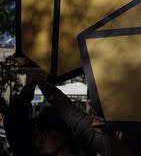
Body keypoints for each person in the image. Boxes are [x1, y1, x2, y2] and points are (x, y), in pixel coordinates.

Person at [4, 57, 133, 156]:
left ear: (63, 134)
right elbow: (12, 123)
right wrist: (32, 85)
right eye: (38, 135)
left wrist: (109, 134)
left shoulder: (89, 147)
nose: (39, 140)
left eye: (45, 132)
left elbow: (77, 121)